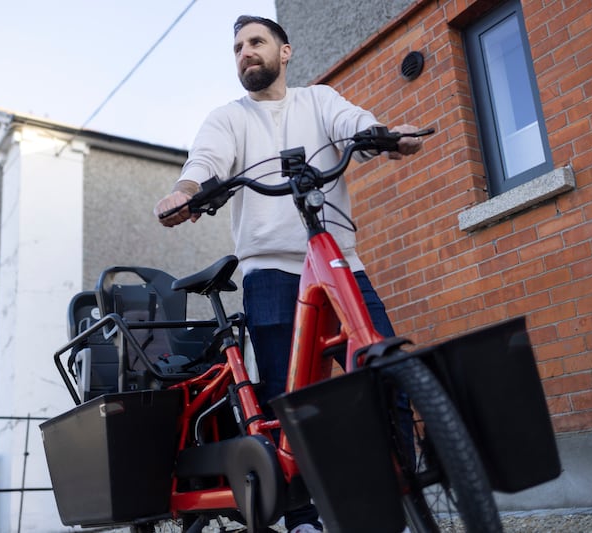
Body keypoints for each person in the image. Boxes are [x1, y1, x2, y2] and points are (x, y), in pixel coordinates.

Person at [154, 15, 423, 533]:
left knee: (387, 370)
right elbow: (207, 161)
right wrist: (186, 193)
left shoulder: (318, 100)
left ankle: (403, 501)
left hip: (337, 260)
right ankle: (303, 518)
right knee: (287, 398)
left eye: (255, 42)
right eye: (236, 48)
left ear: (286, 50)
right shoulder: (229, 117)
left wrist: (386, 137)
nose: (245, 53)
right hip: (269, 268)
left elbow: (355, 126)